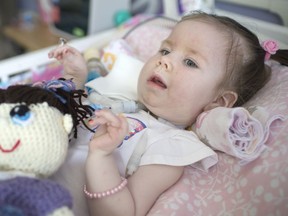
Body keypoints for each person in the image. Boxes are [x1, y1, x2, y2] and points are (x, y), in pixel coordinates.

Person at [48, 11, 288, 216]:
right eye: (165, 50)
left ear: (218, 101)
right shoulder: (118, 98)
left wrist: (101, 156)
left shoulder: (171, 146)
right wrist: (75, 80)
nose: (165, 62)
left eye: (190, 62)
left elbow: (123, 212)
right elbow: (63, 116)